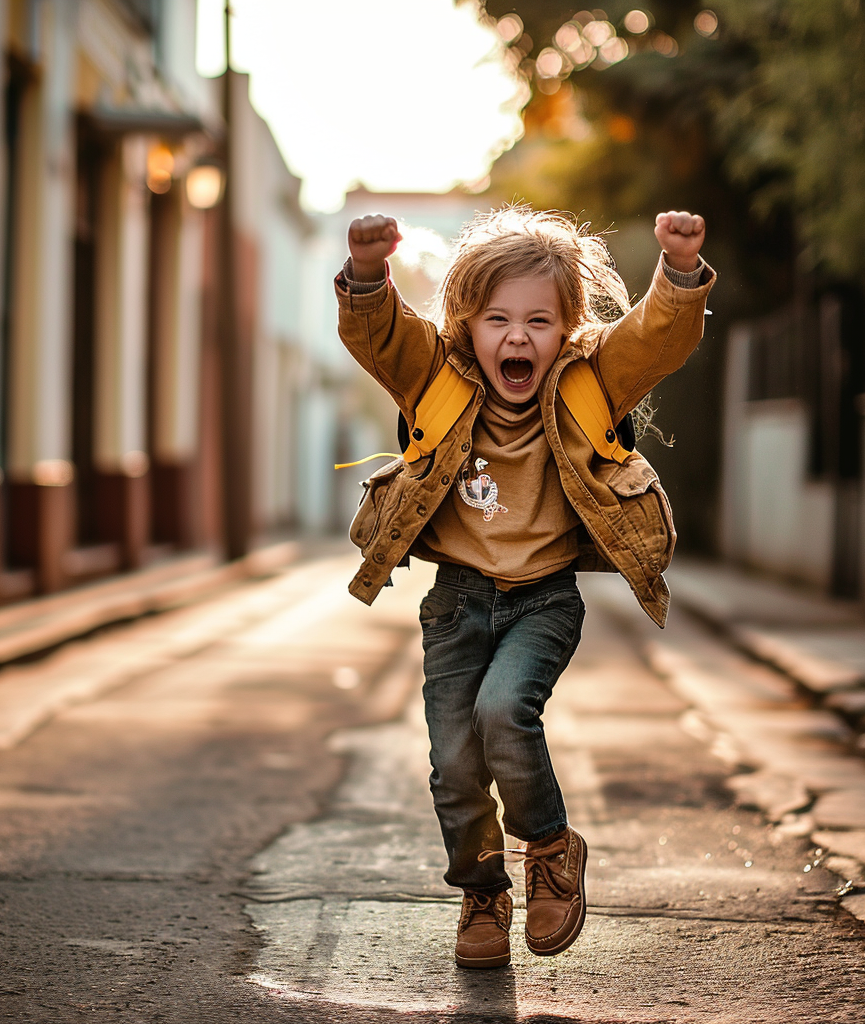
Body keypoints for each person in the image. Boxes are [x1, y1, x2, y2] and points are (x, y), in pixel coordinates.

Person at [335, 205, 714, 969]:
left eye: (540, 321)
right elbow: (381, 337)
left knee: (503, 711)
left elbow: (656, 339)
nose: (517, 337)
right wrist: (369, 278)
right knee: (454, 760)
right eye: (497, 319)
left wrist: (676, 276)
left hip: (543, 599)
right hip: (457, 602)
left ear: (569, 326)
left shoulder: (590, 381)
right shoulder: (436, 376)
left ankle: (548, 848)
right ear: (466, 325)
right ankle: (481, 895)